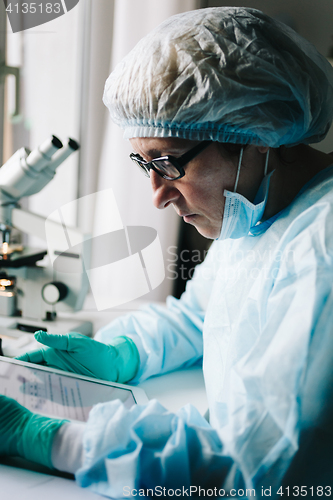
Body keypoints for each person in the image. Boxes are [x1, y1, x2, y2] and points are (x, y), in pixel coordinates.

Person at [1, 6, 333, 498]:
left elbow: (263, 473)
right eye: (143, 163)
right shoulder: (256, 216)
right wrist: (123, 353)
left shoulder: (322, 249)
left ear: (257, 135)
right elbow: (199, 319)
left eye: (168, 163)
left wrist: (50, 440)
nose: (158, 195)